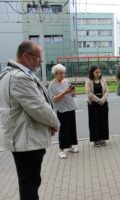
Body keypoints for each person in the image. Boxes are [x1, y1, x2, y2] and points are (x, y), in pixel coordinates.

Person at [0, 40, 60, 199]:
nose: (41, 61)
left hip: (22, 139)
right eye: (38, 57)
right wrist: (55, 123)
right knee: (30, 184)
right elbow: (39, 107)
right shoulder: (20, 78)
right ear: (26, 56)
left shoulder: (11, 74)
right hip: (26, 141)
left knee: (28, 182)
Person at [49, 64, 79, 159]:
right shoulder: (52, 84)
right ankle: (61, 149)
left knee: (71, 127)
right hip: (61, 109)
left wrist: (73, 91)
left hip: (70, 107)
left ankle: (70, 146)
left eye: (63, 73)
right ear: (55, 74)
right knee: (63, 129)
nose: (63, 75)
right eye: (60, 73)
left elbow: (73, 95)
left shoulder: (66, 81)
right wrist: (65, 92)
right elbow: (54, 99)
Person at [86, 65, 109, 146]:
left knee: (103, 121)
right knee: (94, 122)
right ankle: (96, 140)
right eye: (96, 72)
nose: (98, 74)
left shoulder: (103, 79)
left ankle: (103, 138)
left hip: (103, 103)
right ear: (92, 72)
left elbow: (106, 91)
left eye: (99, 72)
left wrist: (102, 100)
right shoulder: (88, 81)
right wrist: (98, 100)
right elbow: (89, 93)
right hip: (93, 104)